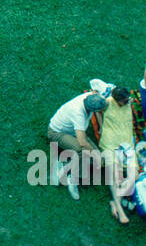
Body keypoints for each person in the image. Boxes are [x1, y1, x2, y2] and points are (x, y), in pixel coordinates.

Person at [47, 90, 106, 199]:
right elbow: (82, 143)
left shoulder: (92, 96)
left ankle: (64, 167)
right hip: (57, 133)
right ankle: (72, 179)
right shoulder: (78, 113)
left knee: (95, 161)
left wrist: (101, 126)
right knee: (81, 150)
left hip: (75, 131)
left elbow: (97, 107)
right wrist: (96, 155)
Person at [99, 86, 138, 224]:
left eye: (128, 99)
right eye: (124, 100)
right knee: (116, 175)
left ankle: (115, 203)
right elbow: (98, 110)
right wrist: (100, 124)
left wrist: (129, 101)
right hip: (110, 142)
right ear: (117, 100)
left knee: (134, 175)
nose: (127, 102)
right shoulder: (108, 102)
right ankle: (121, 211)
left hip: (126, 143)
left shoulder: (129, 102)